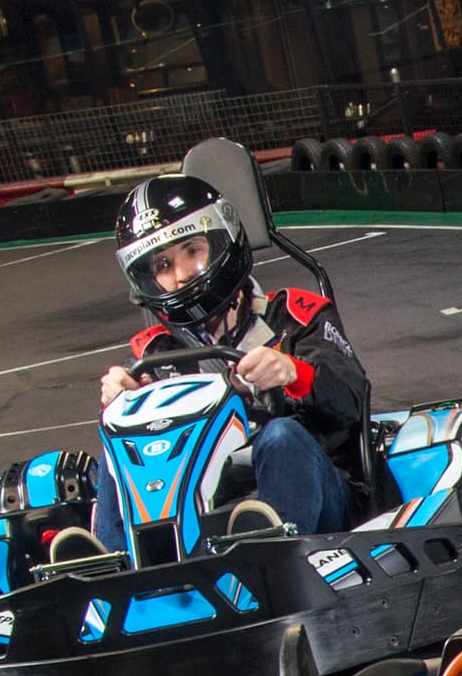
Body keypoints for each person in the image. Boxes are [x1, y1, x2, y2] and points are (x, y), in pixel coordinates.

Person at [92, 172, 372, 541]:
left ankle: (274, 553)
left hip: (323, 495)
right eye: (163, 266)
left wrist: (294, 374)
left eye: (192, 251)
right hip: (209, 508)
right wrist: (121, 402)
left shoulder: (295, 316)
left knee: (281, 435)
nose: (181, 276)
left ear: (222, 240)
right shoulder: (156, 354)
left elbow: (351, 401)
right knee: (120, 444)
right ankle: (116, 559)